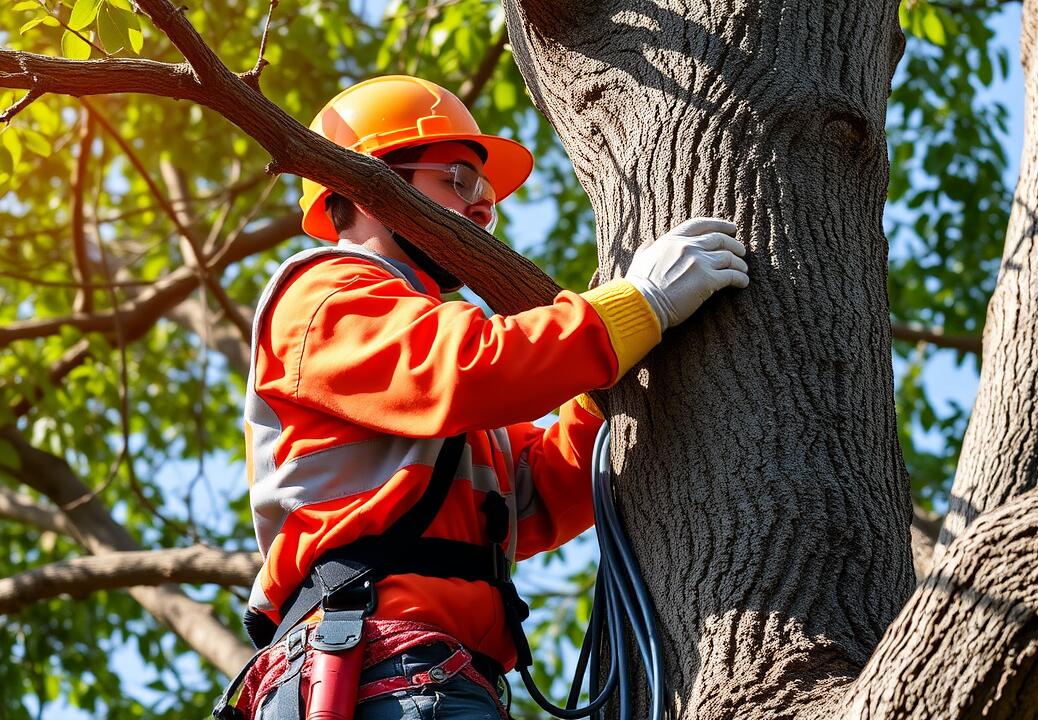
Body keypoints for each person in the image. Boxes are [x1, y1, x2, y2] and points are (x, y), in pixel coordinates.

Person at [217, 75, 748, 720]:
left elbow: (530, 496)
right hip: (383, 662)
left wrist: (603, 399)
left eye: (486, 192)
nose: (482, 207)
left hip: (433, 671)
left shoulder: (432, 372)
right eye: (456, 180)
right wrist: (638, 308)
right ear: (361, 190)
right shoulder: (324, 294)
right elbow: (469, 367)